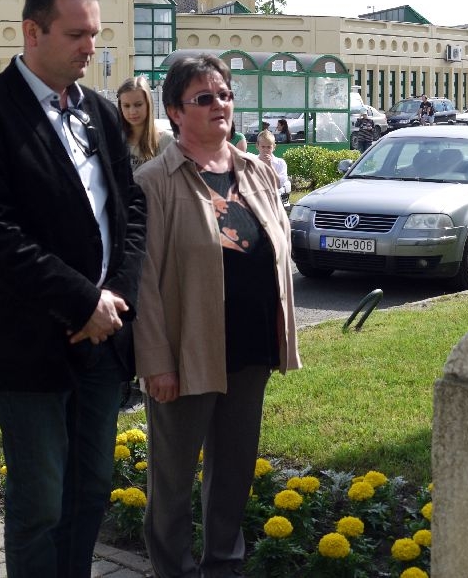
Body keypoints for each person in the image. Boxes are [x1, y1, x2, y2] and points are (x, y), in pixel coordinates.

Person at [0, 0, 147, 578]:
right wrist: (80, 302)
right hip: (30, 344)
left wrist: (115, 296)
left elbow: (131, 210)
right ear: (32, 31)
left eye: (95, 34)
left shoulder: (100, 111)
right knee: (40, 502)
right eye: (76, 35)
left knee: (90, 489)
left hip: (104, 339)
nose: (90, 48)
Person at [133, 53, 301, 578]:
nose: (219, 105)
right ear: (174, 111)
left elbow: (276, 249)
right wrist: (156, 362)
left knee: (234, 471)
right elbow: (144, 282)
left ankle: (224, 564)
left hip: (250, 347)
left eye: (225, 95)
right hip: (186, 353)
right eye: (204, 97)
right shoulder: (154, 181)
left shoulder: (256, 171)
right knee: (173, 479)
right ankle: (173, 570)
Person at [117, 75, 174, 169]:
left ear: (148, 104)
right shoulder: (114, 141)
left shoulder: (167, 142)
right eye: (126, 106)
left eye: (138, 105)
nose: (132, 111)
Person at [255, 129, 292, 205]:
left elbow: (279, 185)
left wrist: (270, 166)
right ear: (257, 146)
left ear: (274, 147)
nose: (266, 150)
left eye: (269, 147)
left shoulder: (280, 163)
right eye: (263, 147)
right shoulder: (252, 162)